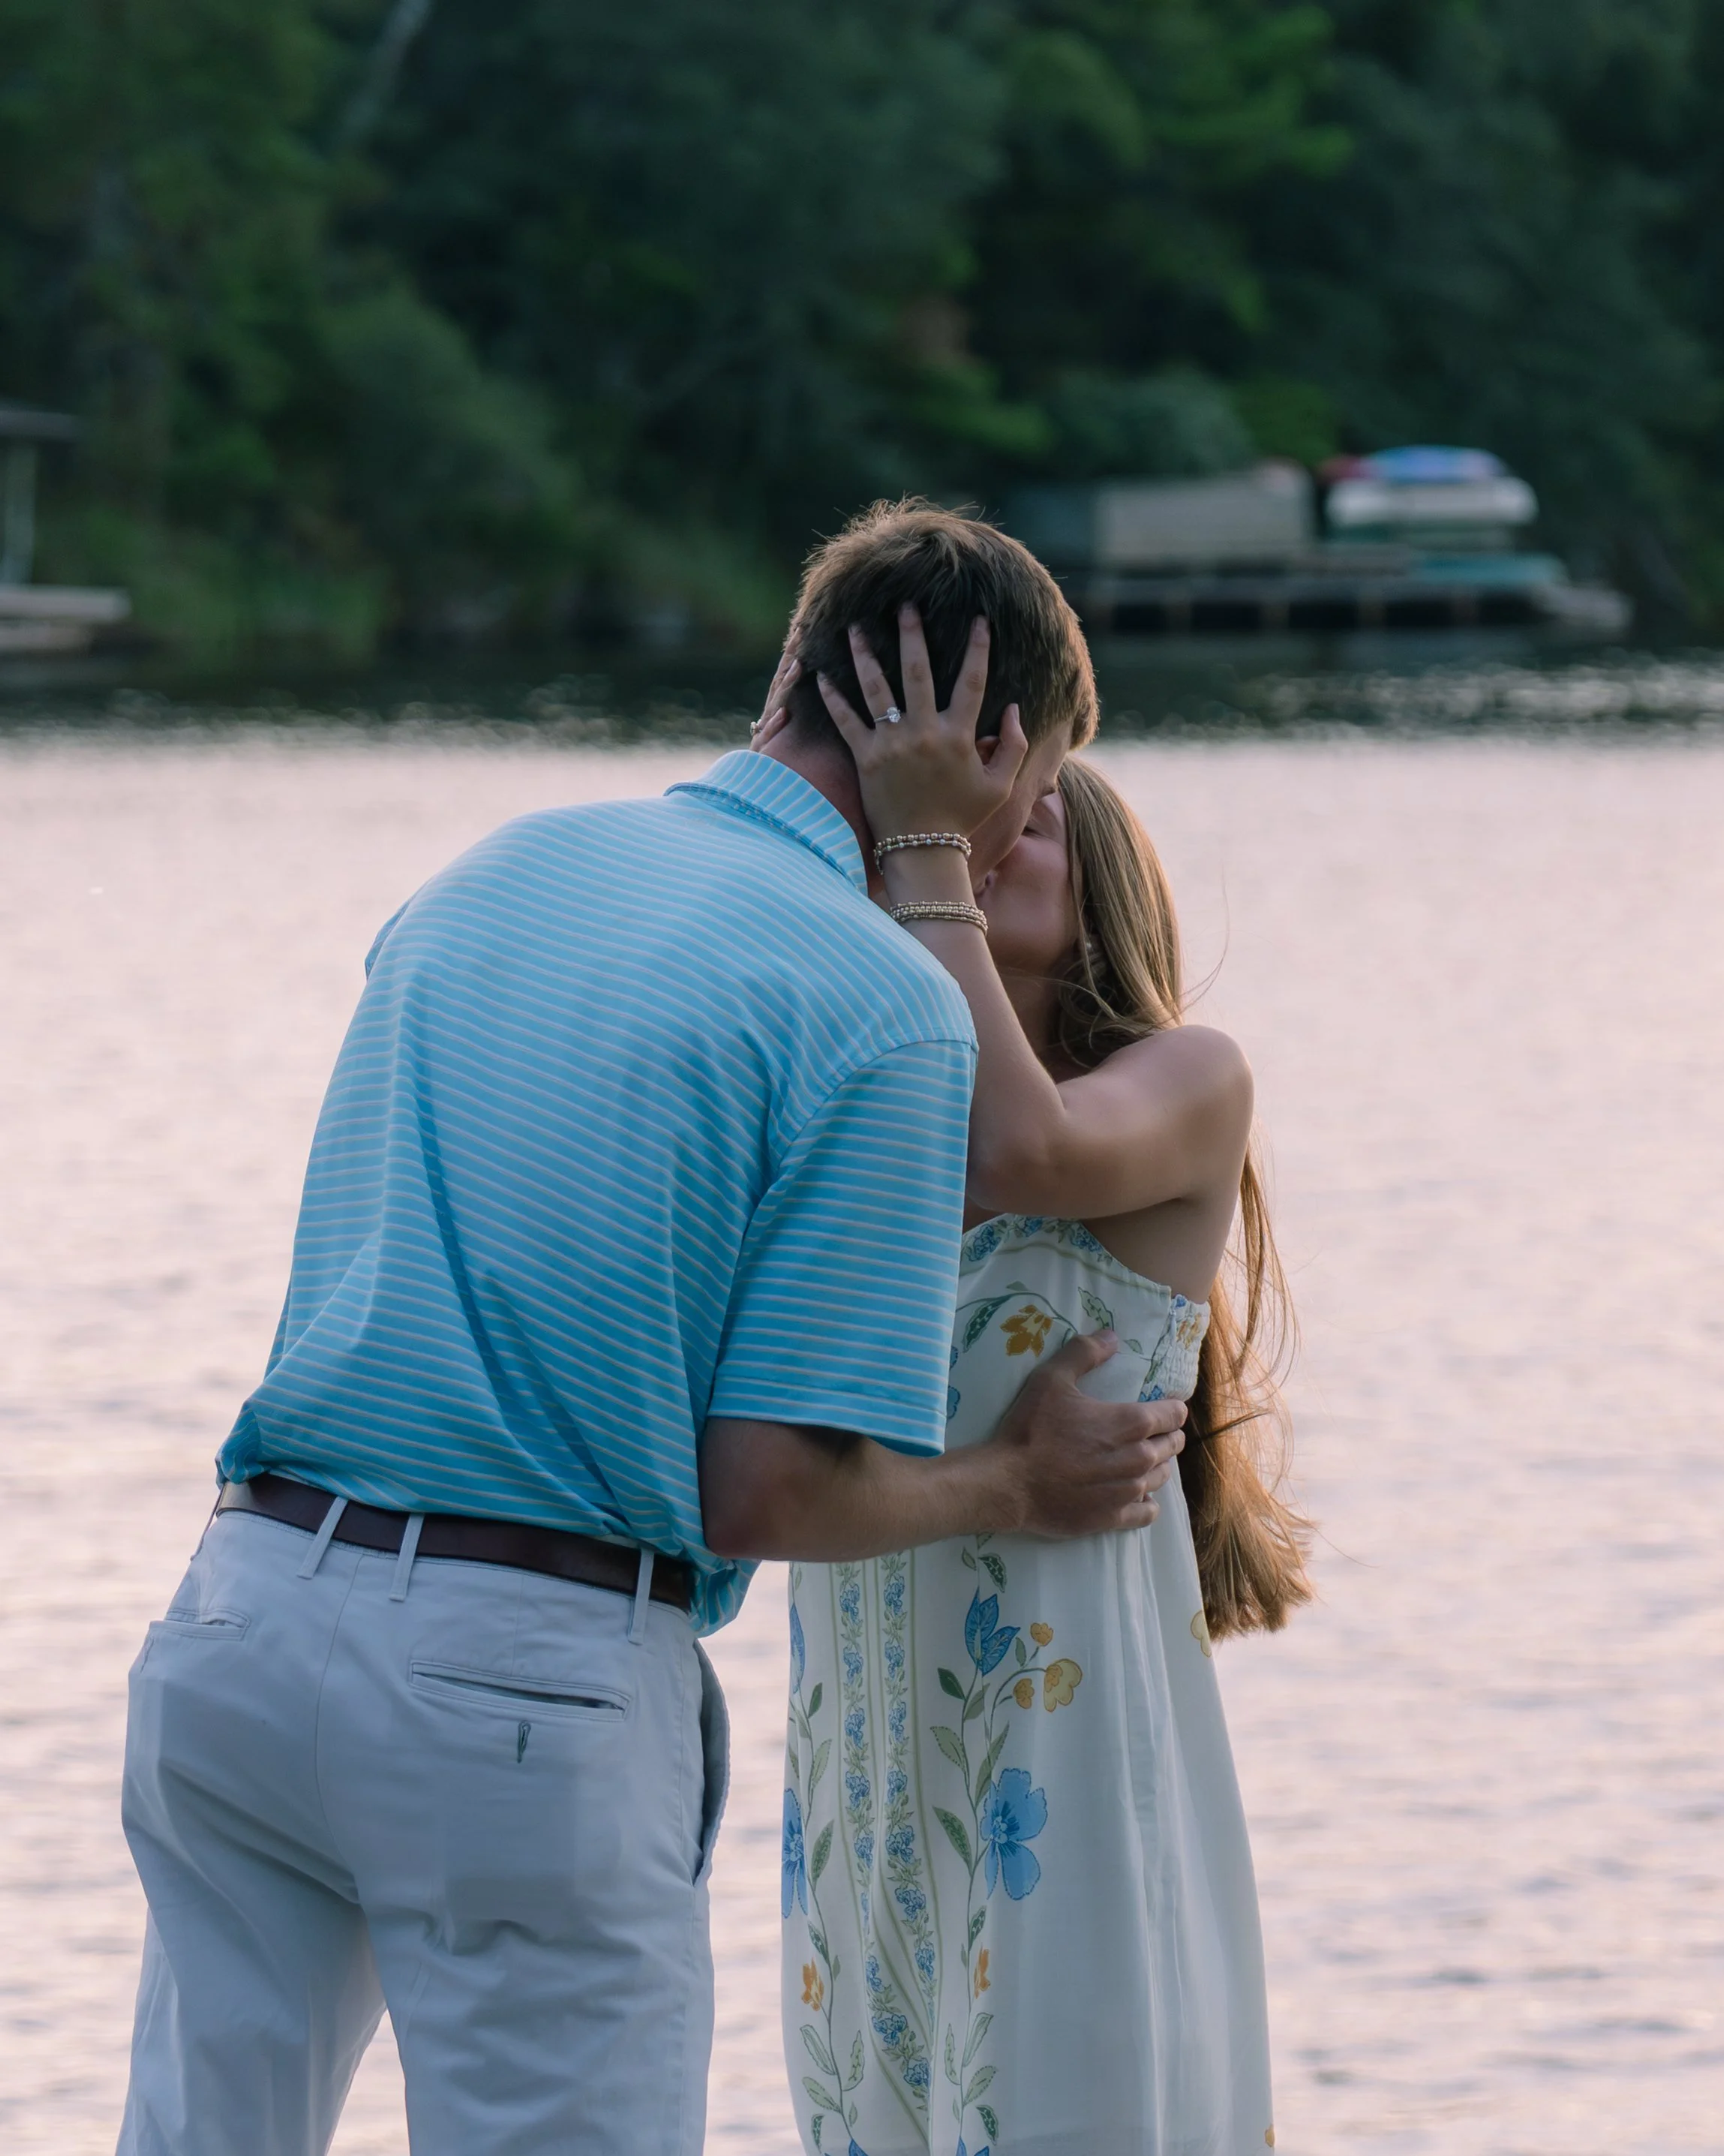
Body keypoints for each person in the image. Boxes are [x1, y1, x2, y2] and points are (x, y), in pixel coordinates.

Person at [114, 501, 1191, 2156]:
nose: (1028, 823)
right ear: (980, 746)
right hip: (517, 1686)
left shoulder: (495, 867)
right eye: (1035, 782)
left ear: (789, 674)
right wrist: (1015, 1482)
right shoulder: (878, 996)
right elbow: (765, 1489)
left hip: (240, 1622)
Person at [773, 620, 1312, 2156]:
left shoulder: (1189, 1078)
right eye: (972, 804)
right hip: (867, 1786)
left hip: (1058, 1787)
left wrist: (927, 843)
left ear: (1112, 889)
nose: (1001, 821)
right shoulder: (858, 1122)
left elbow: (1022, 1152)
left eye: (1041, 803)